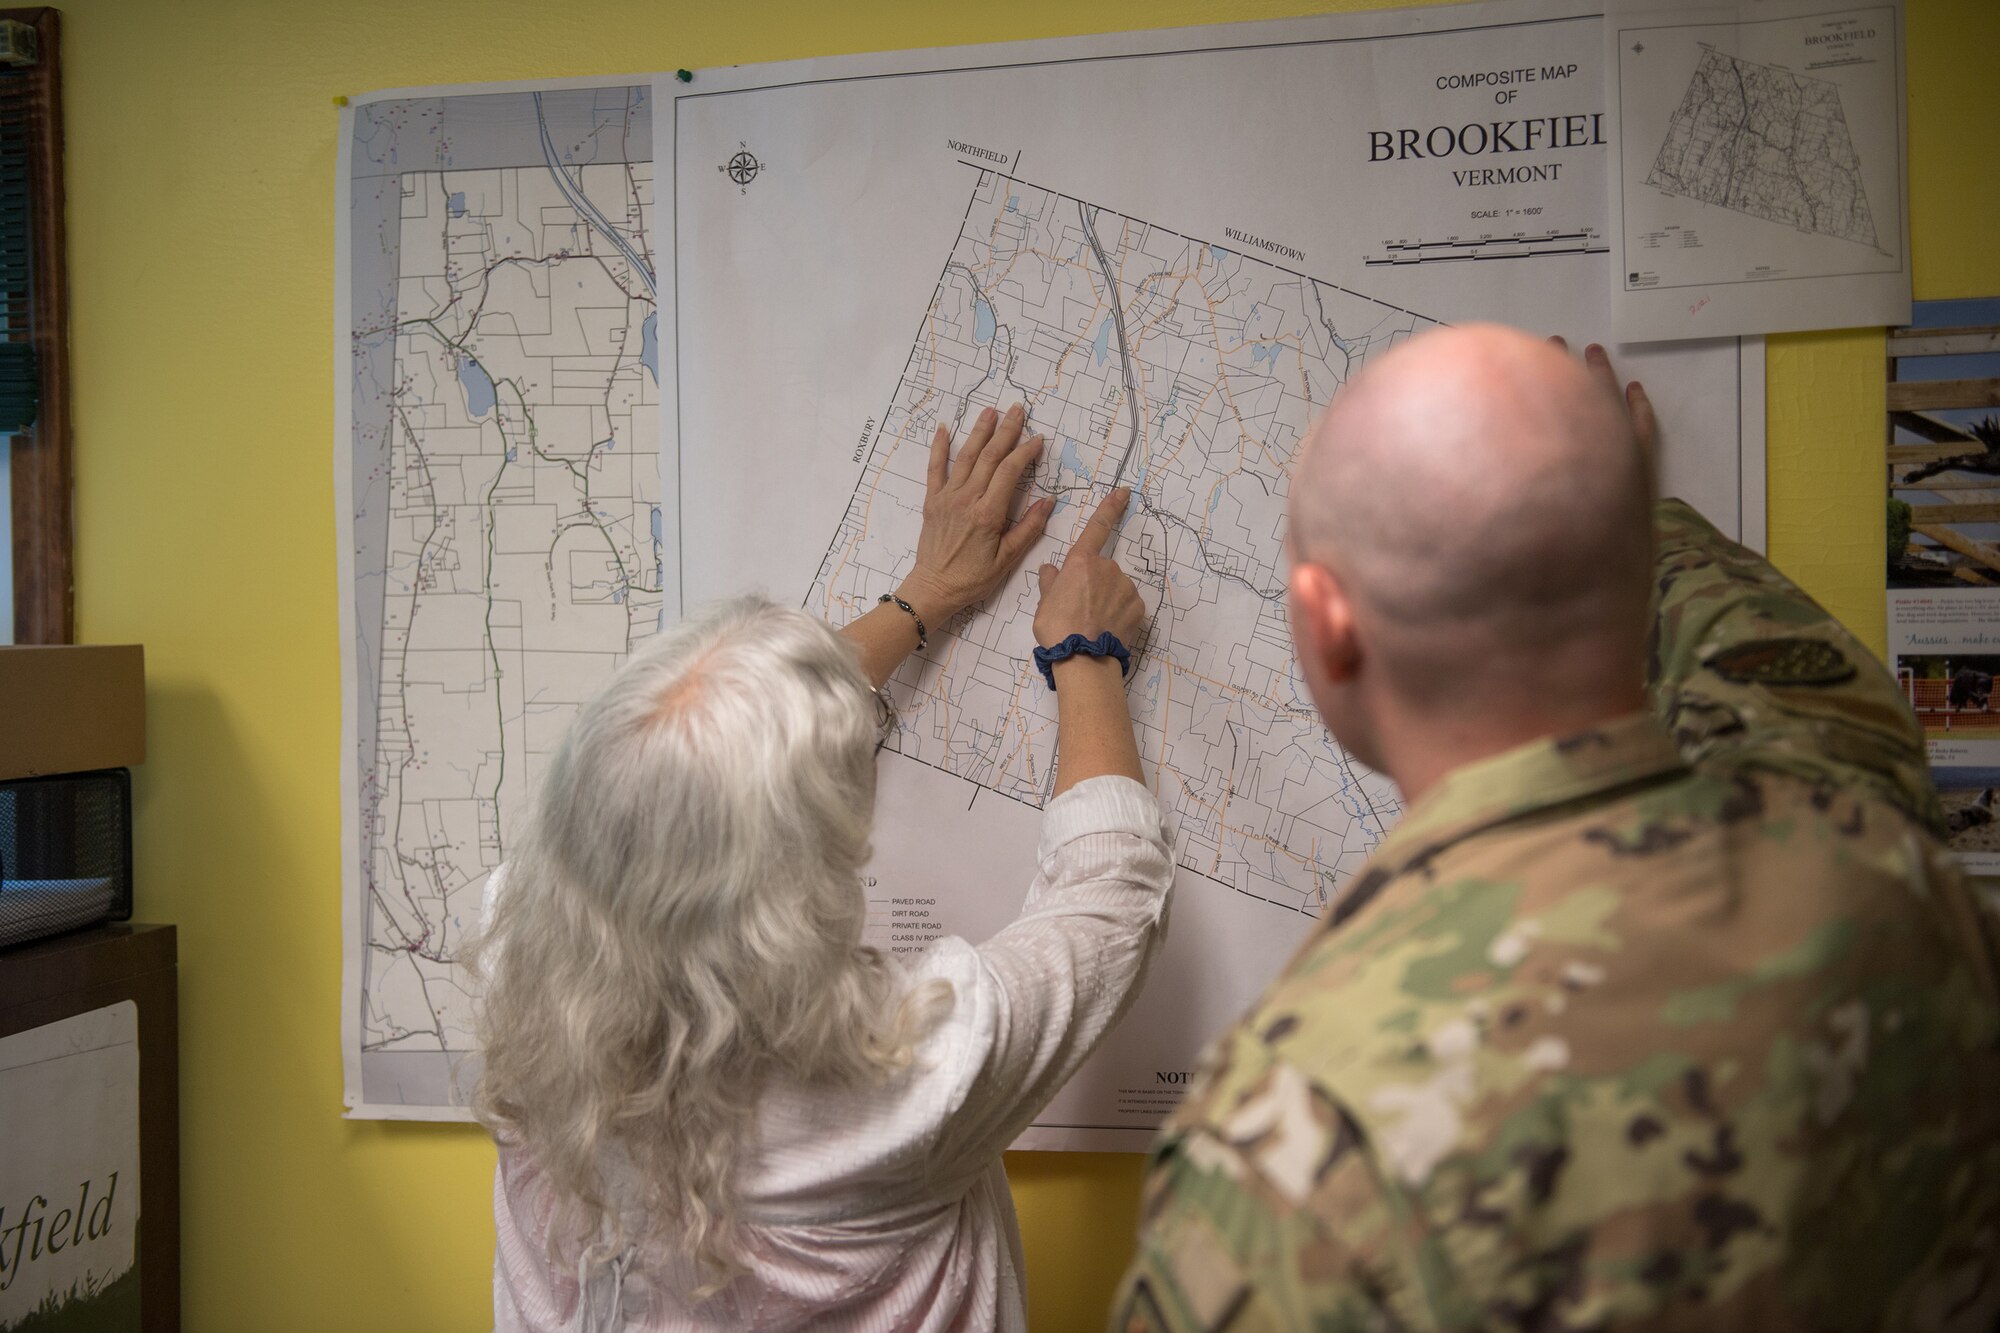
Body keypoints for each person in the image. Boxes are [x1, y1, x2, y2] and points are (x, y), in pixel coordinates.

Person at [1114, 326, 2000, 1331]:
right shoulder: (1874, 854)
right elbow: (1790, 679)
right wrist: (1625, 515)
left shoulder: (1295, 1157)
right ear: (1628, 579)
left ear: (1326, 621)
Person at [471, 403, 1168, 1331]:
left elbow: (685, 767)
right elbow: (1108, 897)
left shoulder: (511, 946)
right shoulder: (903, 1079)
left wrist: (922, 597)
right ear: (789, 901)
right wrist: (1088, 652)